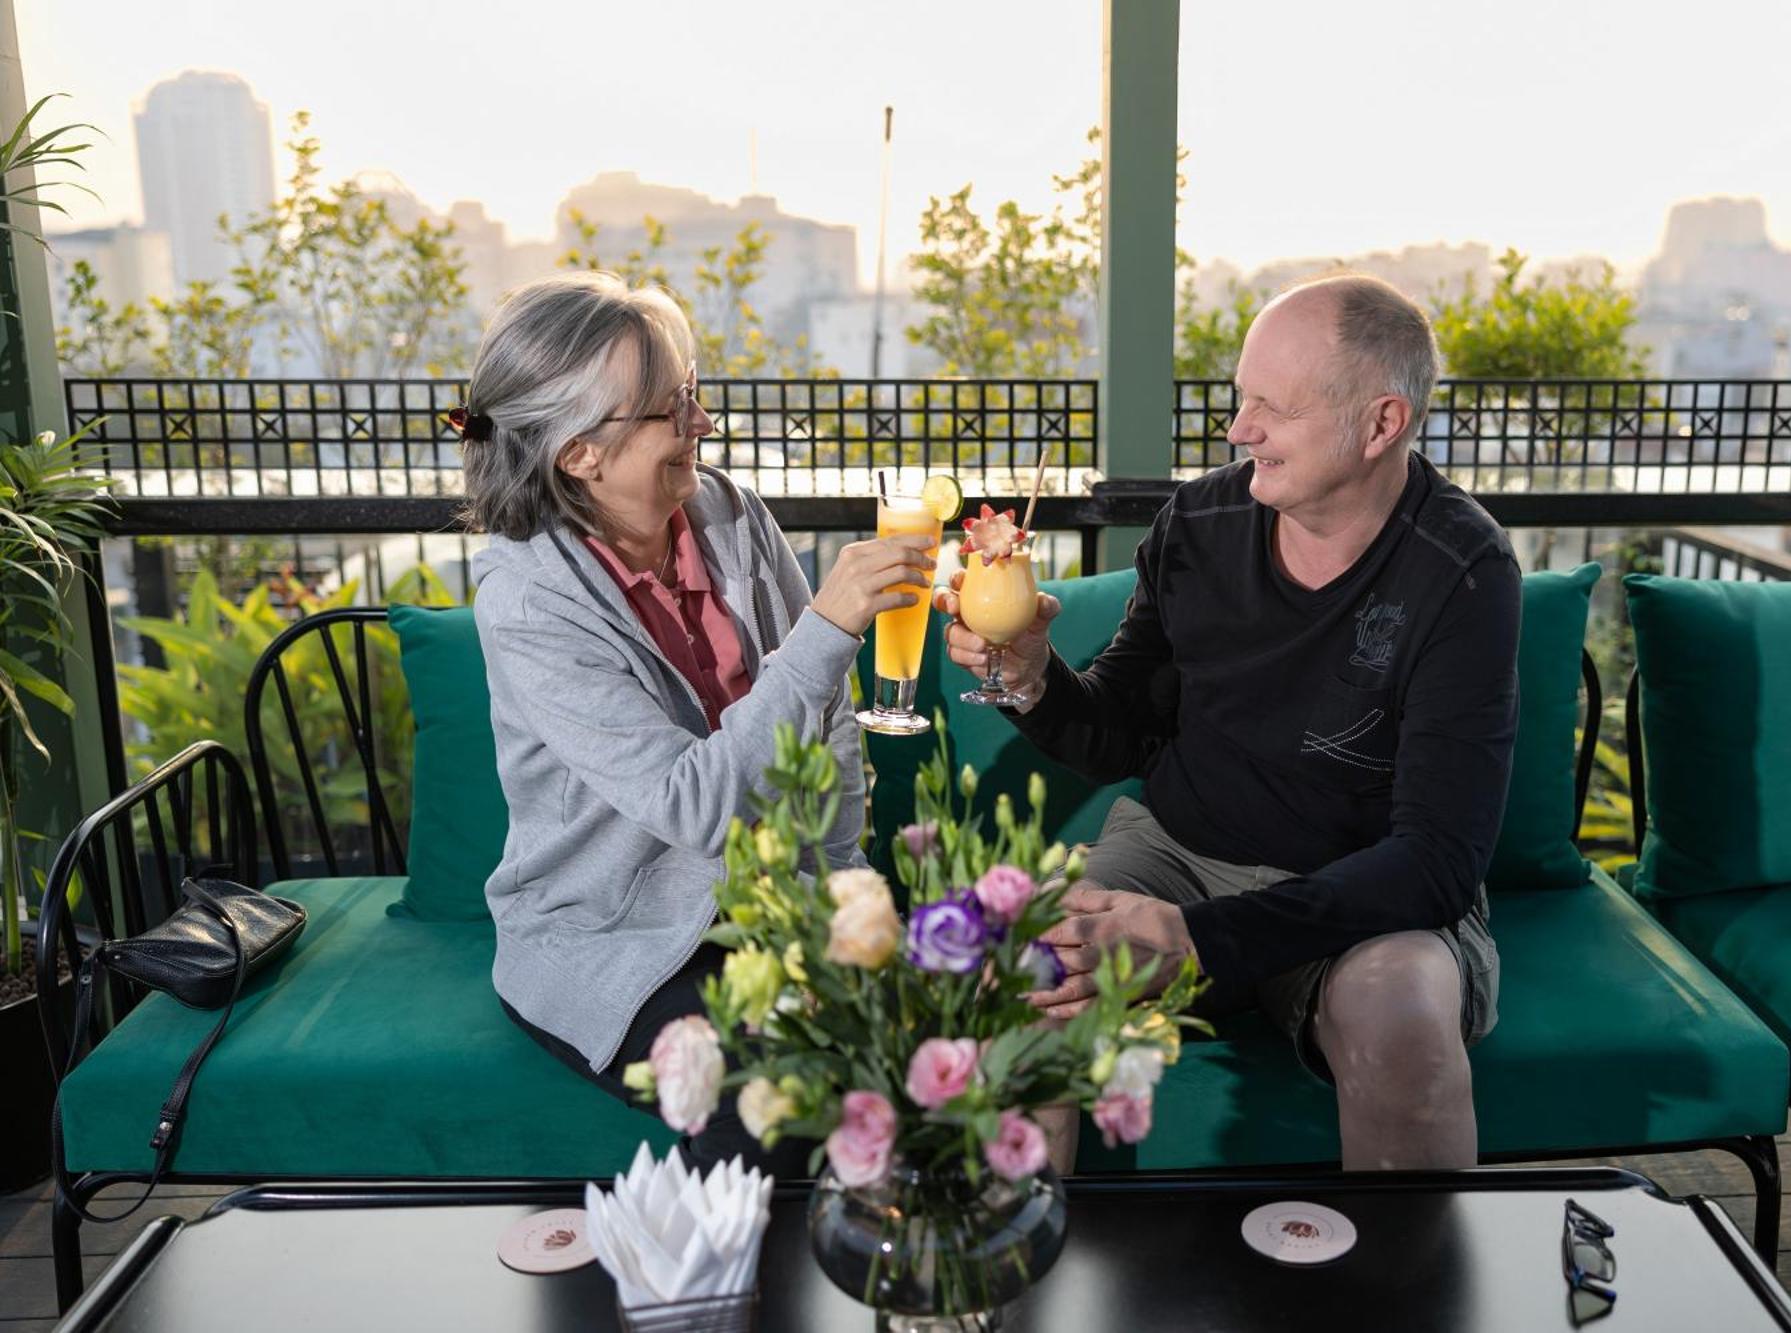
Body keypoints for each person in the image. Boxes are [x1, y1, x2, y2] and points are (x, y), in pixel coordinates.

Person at [937, 275, 1519, 1171]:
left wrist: (1198, 940)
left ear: (1381, 423)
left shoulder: (1461, 567)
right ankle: (1024, 1282)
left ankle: (1407, 1298)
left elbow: (1437, 863)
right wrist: (1035, 679)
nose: (1239, 430)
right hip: (1176, 850)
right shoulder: (1201, 522)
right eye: (1240, 399)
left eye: (1271, 409)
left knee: (1398, 1004)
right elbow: (1121, 732)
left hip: (1356, 900)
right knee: (1029, 972)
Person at [461, 272, 934, 1172]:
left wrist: (843, 878)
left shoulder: (724, 512)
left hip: (769, 901)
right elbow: (694, 807)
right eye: (670, 408)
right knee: (772, 1101)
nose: (702, 423)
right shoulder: (528, 600)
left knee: (922, 1046)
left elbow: (825, 715)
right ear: (579, 453)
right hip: (616, 932)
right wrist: (828, 625)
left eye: (694, 393)